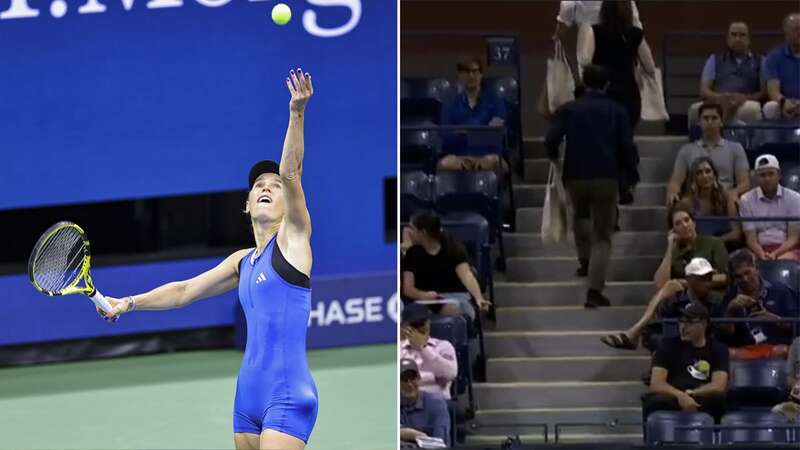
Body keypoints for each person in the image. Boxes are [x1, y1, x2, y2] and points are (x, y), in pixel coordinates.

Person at [96, 69, 317, 450]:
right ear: (246, 206)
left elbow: (292, 172)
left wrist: (296, 113)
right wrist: (128, 303)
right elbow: (184, 291)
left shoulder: (294, 241)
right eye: (258, 187)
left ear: (288, 202)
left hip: (287, 395)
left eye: (274, 187)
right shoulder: (242, 262)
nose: (267, 187)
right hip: (247, 400)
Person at [544, 64, 640, 308]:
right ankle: (594, 290)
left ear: (584, 83)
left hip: (575, 175)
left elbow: (551, 139)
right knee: (602, 235)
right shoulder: (617, 110)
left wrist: (555, 157)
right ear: (607, 84)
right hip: (606, 177)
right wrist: (630, 174)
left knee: (580, 217)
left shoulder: (569, 109)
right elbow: (627, 147)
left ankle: (584, 260)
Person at [602, 257, 725, 351]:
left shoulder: (715, 302)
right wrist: (663, 297)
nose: (708, 282)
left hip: (701, 345)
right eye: (703, 278)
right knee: (656, 337)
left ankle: (633, 334)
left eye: (710, 278)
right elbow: (660, 321)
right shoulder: (675, 300)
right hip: (675, 341)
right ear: (690, 279)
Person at [641, 302, 729, 423]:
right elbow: (656, 384)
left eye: (689, 322)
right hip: (672, 396)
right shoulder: (667, 345)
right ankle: (653, 441)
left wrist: (692, 393)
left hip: (701, 396)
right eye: (681, 321)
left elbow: (718, 385)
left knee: (718, 399)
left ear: (704, 324)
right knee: (654, 402)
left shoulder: (718, 348)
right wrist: (680, 396)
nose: (683, 327)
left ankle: (714, 440)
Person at [577, 0, 657, 130]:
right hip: (629, 96)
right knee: (625, 138)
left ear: (604, 11)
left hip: (603, 95)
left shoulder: (595, 31)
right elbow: (650, 67)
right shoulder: (635, 34)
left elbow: (585, 61)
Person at [401, 210, 492, 318]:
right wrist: (423, 295)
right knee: (413, 313)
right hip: (424, 300)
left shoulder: (453, 247)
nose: (408, 231)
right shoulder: (412, 253)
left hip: (454, 297)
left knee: (459, 309)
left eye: (412, 229)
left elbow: (467, 276)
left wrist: (479, 298)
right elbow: (408, 289)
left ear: (423, 232)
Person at [666, 102, 750, 208]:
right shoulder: (686, 150)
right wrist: (672, 192)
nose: (710, 122)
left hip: (724, 199)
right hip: (696, 199)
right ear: (699, 122)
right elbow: (676, 181)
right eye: (705, 118)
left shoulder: (735, 148)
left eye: (714, 118)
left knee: (733, 201)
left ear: (721, 122)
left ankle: (733, 224)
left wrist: (733, 193)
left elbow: (744, 182)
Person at [718, 249, 798, 359]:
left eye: (747, 273)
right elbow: (723, 337)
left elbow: (797, 325)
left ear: (756, 268)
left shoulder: (781, 291)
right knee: (725, 354)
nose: (745, 279)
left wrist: (777, 321)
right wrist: (730, 312)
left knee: (785, 351)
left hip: (777, 348)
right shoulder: (729, 298)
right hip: (744, 352)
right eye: (738, 276)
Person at [688, 21, 765, 127]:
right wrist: (720, 97)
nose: (737, 38)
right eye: (733, 35)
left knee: (751, 109)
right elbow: (704, 90)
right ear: (727, 39)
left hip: (746, 102)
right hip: (719, 100)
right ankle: (701, 143)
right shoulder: (714, 59)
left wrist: (745, 98)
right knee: (694, 109)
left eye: (742, 35)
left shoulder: (761, 61)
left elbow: (763, 92)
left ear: (749, 39)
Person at [439, 57, 507, 172]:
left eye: (474, 71)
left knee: (495, 162)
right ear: (460, 75)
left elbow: (496, 135)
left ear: (481, 75)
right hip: (459, 158)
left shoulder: (495, 101)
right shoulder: (450, 104)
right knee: (444, 164)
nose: (471, 76)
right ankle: (471, 169)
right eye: (466, 72)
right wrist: (481, 130)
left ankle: (477, 169)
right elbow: (446, 135)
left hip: (487, 157)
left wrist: (463, 131)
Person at [653, 205, 729, 292]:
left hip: (712, 297)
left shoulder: (713, 243)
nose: (684, 225)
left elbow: (726, 277)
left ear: (694, 223)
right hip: (682, 301)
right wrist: (670, 245)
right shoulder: (673, 254)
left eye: (687, 220)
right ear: (673, 230)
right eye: (678, 223)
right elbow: (660, 284)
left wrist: (689, 282)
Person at [739, 154, 800, 261]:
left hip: (786, 249)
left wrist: (775, 254)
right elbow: (750, 239)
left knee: (788, 258)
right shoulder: (746, 200)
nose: (767, 179)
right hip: (758, 250)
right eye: (762, 175)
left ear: (779, 175)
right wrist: (762, 254)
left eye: (771, 174)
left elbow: (793, 238)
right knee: (744, 262)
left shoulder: (795, 198)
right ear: (756, 177)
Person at [677, 157, 742, 247]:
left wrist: (713, 243)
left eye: (708, 171)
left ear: (715, 175)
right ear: (694, 177)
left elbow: (736, 233)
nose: (704, 176)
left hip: (725, 246)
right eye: (699, 173)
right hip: (698, 248)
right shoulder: (686, 203)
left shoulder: (728, 198)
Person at [399, 303, 459, 400]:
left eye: (422, 323)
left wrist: (423, 348)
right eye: (415, 325)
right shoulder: (399, 349)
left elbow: (451, 373)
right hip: (405, 401)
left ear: (428, 324)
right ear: (405, 327)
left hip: (435, 401)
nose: (420, 329)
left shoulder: (443, 346)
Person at [400, 358, 452, 447]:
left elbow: (440, 443)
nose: (409, 384)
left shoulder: (436, 403)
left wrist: (415, 436)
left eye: (412, 378)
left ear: (419, 379)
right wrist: (413, 434)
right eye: (404, 379)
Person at [763, 13, 800, 120]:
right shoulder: (774, 56)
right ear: (786, 32)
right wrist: (784, 102)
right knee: (770, 107)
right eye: (795, 29)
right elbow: (773, 90)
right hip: (785, 103)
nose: (799, 33)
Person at [772, 337, 800, 422]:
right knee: (777, 409)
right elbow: (789, 377)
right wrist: (797, 389)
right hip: (797, 392)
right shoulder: (796, 343)